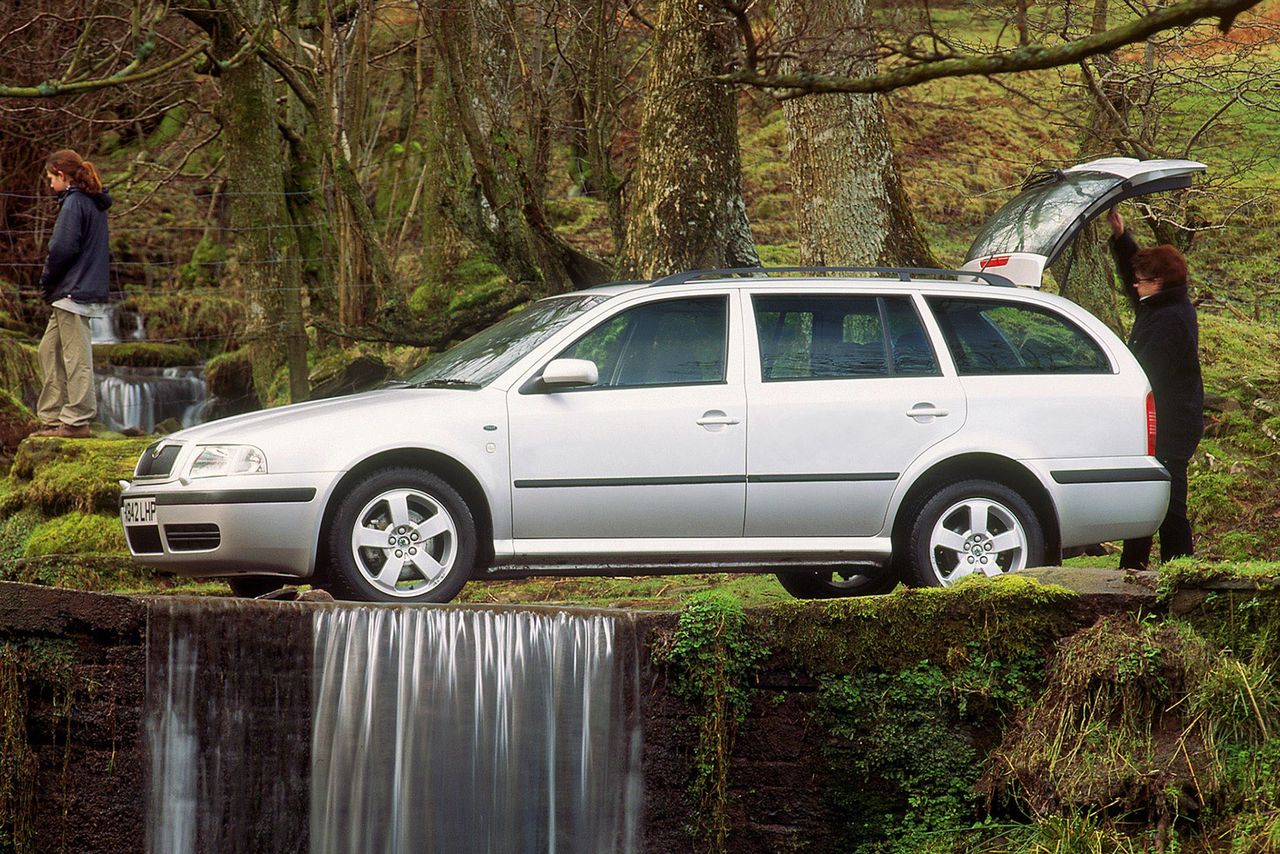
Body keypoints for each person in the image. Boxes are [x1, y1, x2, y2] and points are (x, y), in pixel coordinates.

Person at [1108, 208, 1203, 569]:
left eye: (1143, 279)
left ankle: (1180, 569)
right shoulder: (1163, 304)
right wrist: (1121, 239)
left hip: (1172, 424)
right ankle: (1134, 566)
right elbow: (1134, 273)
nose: (1135, 284)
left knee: (1168, 498)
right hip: (1163, 420)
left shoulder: (1171, 320)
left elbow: (1149, 374)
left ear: (1160, 281)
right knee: (1148, 493)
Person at [33, 149, 113, 439]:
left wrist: (47, 280)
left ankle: (77, 420)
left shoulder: (75, 203)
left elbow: (62, 248)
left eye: (50, 178)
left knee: (75, 357)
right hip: (73, 291)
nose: (49, 184)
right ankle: (53, 417)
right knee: (48, 350)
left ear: (62, 175)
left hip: (73, 292)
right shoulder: (88, 202)